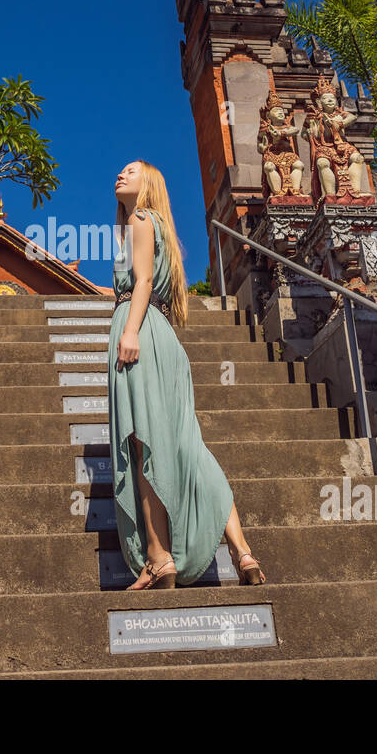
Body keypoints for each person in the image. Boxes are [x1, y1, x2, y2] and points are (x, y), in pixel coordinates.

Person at [108, 159, 265, 590]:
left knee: (144, 445)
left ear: (149, 185)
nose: (119, 175)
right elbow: (146, 282)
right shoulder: (160, 226)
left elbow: (141, 282)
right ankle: (243, 551)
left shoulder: (140, 217)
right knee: (187, 447)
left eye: (130, 171)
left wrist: (130, 331)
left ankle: (159, 558)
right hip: (165, 341)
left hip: (141, 332)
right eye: (119, 171)